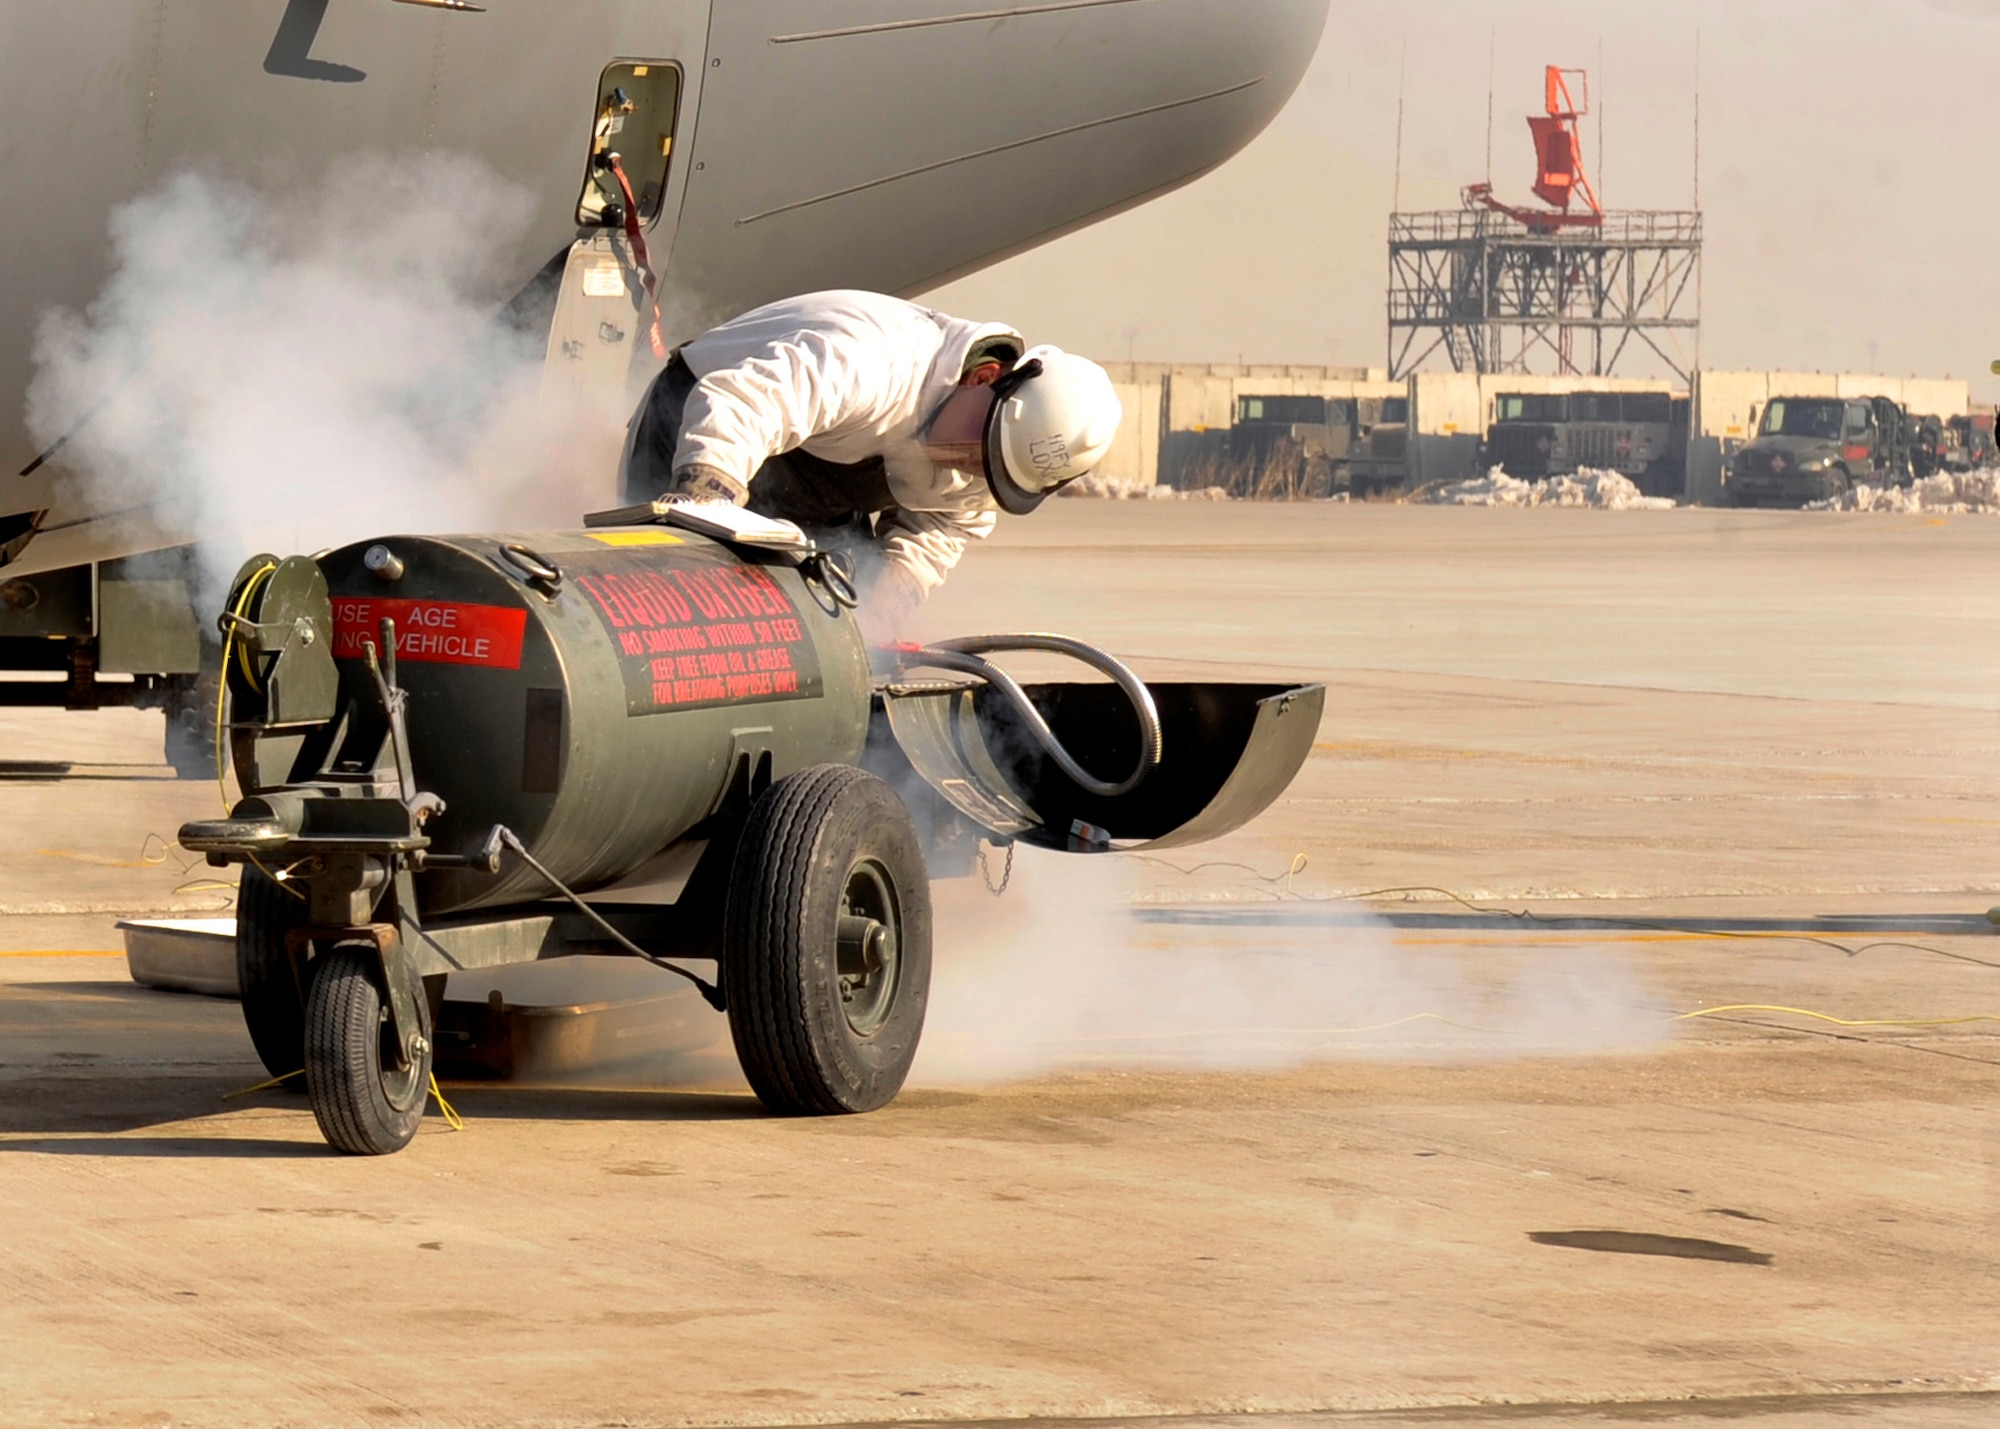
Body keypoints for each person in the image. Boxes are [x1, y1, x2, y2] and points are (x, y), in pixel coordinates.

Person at [620, 289, 1121, 639]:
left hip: (827, 483)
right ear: (983, 378)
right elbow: (744, 404)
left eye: (989, 472)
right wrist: (705, 499)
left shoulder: (993, 451)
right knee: (677, 608)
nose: (969, 471)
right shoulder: (875, 360)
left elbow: (940, 529)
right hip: (700, 422)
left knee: (833, 619)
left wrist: (882, 614)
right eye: (978, 453)